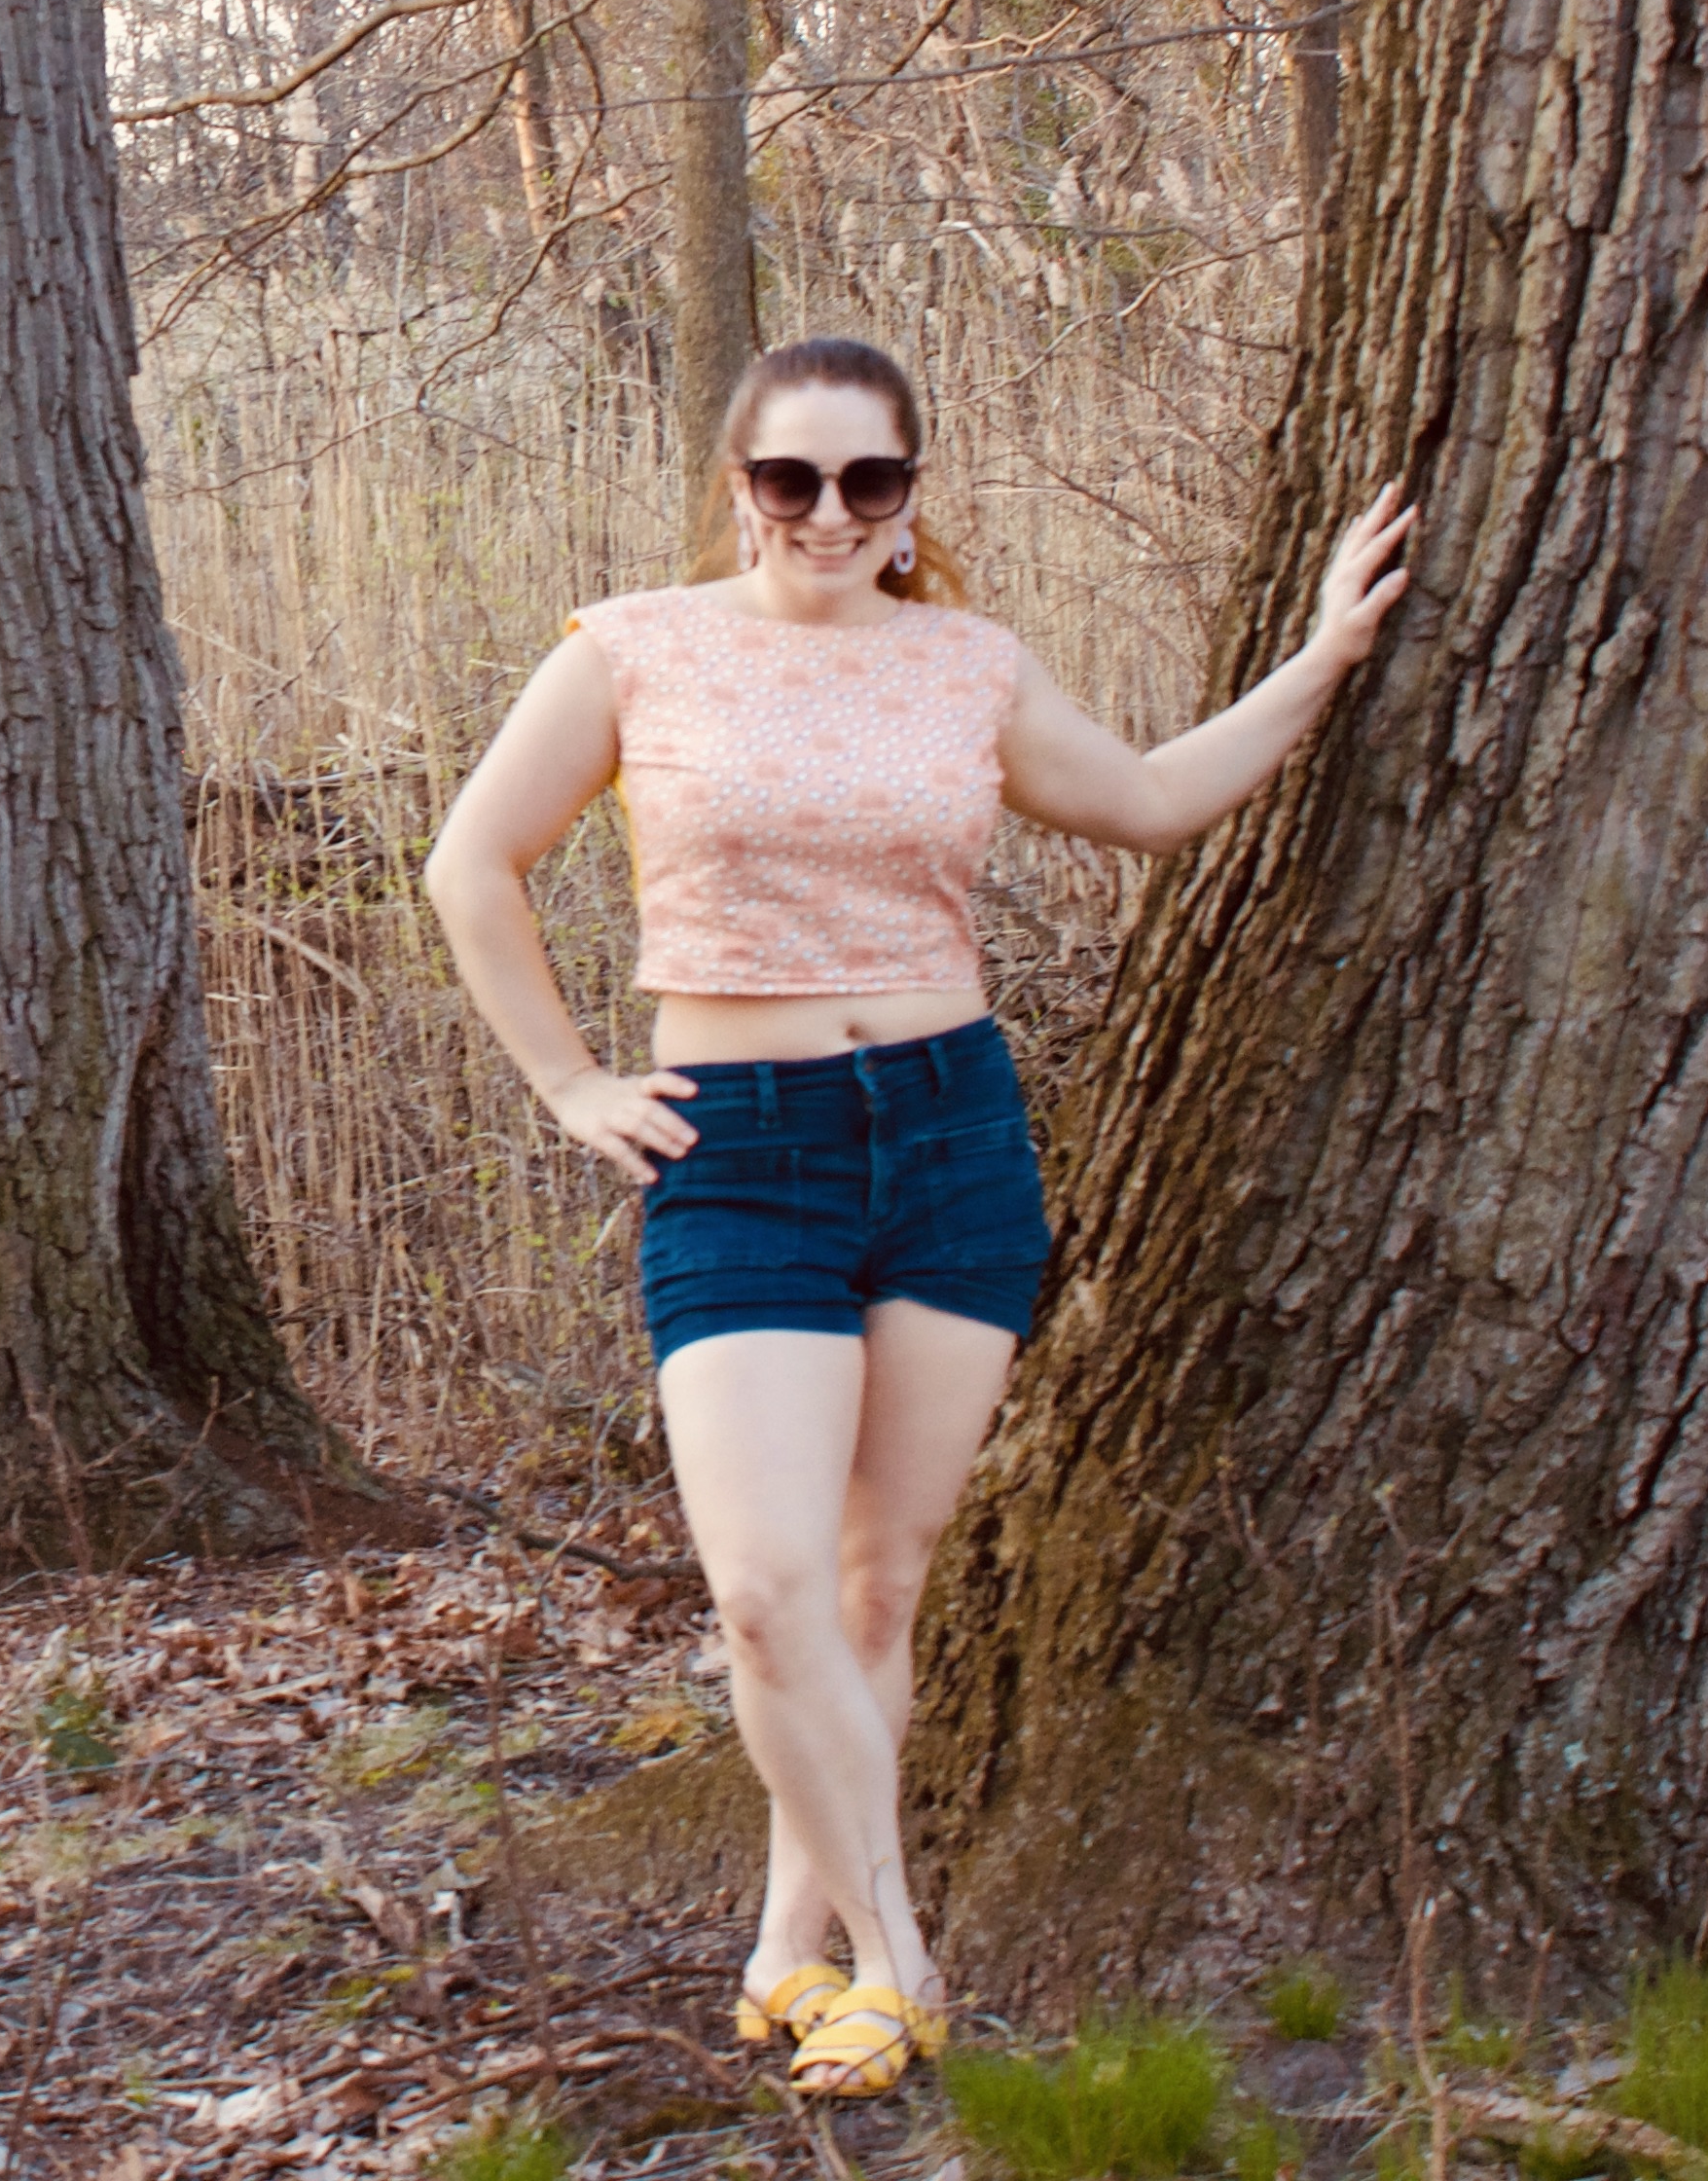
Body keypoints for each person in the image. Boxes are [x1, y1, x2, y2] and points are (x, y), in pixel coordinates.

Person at [420, 337, 1412, 2097]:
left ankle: (790, 1954)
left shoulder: (968, 663)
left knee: (878, 1588)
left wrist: (1327, 654)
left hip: (950, 1137)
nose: (826, 514)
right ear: (739, 484)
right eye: (789, 479)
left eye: (867, 482)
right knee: (766, 1587)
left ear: (910, 496)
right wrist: (572, 1082)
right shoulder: (636, 648)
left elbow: (1158, 803)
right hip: (740, 1155)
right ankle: (902, 1954)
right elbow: (470, 863)